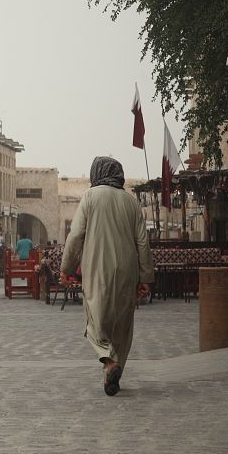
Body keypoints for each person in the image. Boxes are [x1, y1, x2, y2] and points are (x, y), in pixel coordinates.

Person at [60, 157, 153, 396]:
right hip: (127, 269)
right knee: (122, 322)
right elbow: (143, 242)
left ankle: (109, 362)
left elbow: (76, 235)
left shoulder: (91, 196)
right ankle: (113, 372)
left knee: (95, 318)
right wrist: (145, 277)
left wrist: (66, 267)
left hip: (97, 267)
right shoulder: (131, 202)